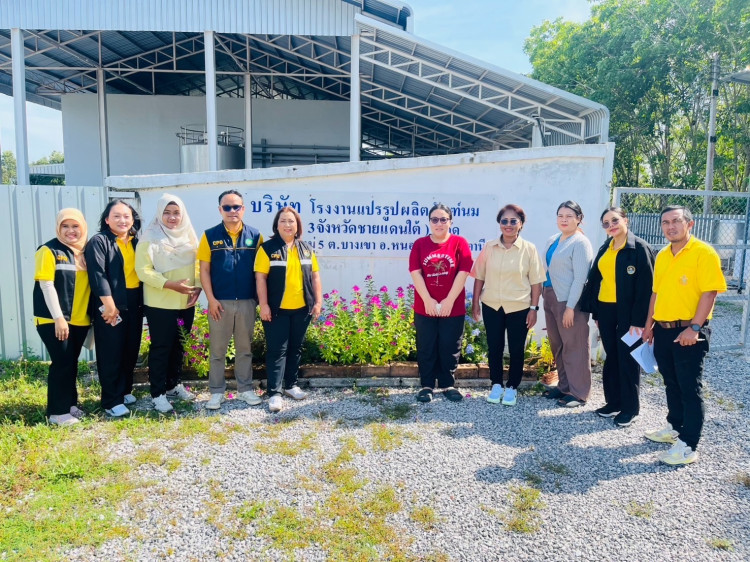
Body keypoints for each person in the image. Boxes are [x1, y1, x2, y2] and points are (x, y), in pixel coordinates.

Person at [642, 205, 726, 465]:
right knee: (671, 382)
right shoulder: (662, 255)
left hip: (689, 330)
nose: (671, 227)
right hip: (663, 330)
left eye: (676, 221)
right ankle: (675, 427)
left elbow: (710, 293)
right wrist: (649, 325)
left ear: (690, 224)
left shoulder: (703, 252)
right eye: (665, 222)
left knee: (690, 387)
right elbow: (656, 293)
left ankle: (689, 445)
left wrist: (695, 328)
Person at [580, 207, 655, 427]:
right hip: (606, 311)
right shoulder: (606, 246)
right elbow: (596, 280)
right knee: (611, 356)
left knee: (628, 358)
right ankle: (613, 402)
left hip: (629, 314)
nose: (611, 225)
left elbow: (647, 288)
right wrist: (596, 312)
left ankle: (630, 408)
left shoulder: (639, 248)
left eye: (614, 220)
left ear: (625, 220)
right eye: (606, 223)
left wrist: (638, 321)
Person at [471, 204, 545, 407]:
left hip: (519, 308)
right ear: (499, 224)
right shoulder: (489, 247)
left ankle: (512, 386)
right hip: (492, 305)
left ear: (521, 224)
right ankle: (496, 384)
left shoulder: (529, 249)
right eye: (504, 221)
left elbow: (536, 282)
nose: (508, 225)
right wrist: (475, 303)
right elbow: (479, 276)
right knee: (494, 347)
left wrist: (533, 309)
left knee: (516, 349)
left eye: (513, 221)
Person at [136, 194, 202, 413]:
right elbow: (143, 270)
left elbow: (199, 264)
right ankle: (158, 393)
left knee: (179, 345)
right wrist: (169, 284)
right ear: (159, 214)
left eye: (176, 213)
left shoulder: (189, 235)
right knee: (161, 347)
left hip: (185, 301)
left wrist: (198, 286)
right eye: (167, 212)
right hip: (160, 302)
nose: (172, 217)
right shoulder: (150, 237)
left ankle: (173, 385)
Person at [198, 190, 264, 410]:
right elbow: (204, 270)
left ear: (243, 209)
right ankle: (216, 392)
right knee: (218, 351)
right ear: (220, 210)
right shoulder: (209, 236)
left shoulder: (256, 236)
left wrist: (258, 300)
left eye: (236, 207)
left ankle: (245, 390)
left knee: (245, 349)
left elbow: (261, 272)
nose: (232, 211)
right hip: (220, 303)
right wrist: (211, 299)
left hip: (246, 301)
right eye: (227, 207)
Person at [255, 206, 322, 413]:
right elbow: (260, 278)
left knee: (295, 348)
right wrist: (264, 305)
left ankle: (291, 386)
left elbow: (315, 277)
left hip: (302, 309)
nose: (287, 224)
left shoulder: (306, 249)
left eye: (291, 221)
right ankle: (274, 393)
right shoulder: (267, 249)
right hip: (276, 310)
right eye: (283, 221)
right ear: (276, 225)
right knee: (277, 351)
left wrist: (318, 302)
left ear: (297, 225)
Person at [409, 203, 473, 403]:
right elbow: (415, 273)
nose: (439, 223)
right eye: (435, 219)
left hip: (453, 307)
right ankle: (426, 386)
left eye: (443, 219)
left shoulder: (459, 243)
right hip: (425, 307)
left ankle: (447, 385)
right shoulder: (420, 244)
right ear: (429, 222)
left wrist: (449, 301)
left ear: (450, 222)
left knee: (450, 346)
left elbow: (463, 272)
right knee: (426, 346)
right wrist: (428, 300)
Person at [85, 200, 144, 417]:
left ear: (133, 219)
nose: (122, 220)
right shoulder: (99, 241)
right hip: (110, 301)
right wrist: (109, 305)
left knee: (130, 348)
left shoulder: (136, 242)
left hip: (134, 301)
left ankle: (124, 390)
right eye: (116, 216)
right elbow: (97, 274)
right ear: (107, 220)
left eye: (127, 216)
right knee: (111, 351)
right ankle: (111, 400)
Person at [33, 208, 91, 425]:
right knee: (62, 363)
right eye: (65, 226)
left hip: (79, 320)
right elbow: (46, 285)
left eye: (75, 226)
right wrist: (59, 318)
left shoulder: (85, 252)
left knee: (71, 363)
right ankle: (57, 413)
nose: (70, 231)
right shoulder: (48, 250)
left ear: (83, 227)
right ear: (58, 228)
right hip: (54, 320)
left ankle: (70, 405)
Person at [542, 200, 594, 407]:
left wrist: (570, 307)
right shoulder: (554, 239)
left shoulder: (580, 242)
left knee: (575, 345)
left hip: (569, 301)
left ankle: (579, 392)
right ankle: (564, 386)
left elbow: (580, 278)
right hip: (550, 296)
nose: (564, 220)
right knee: (558, 345)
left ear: (579, 219)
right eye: (560, 216)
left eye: (569, 216)